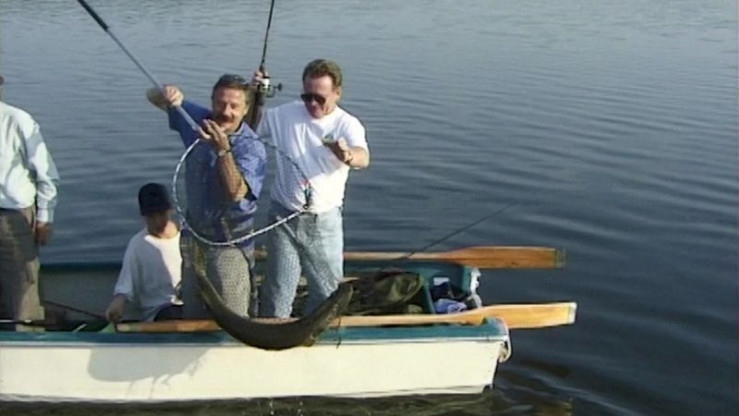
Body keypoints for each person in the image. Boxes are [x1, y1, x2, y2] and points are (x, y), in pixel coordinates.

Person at [253, 59, 370, 318]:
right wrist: (255, 95)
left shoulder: (347, 124)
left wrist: (347, 155)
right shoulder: (285, 115)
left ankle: (315, 331)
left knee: (327, 292)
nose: (312, 104)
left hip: (323, 221)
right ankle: (274, 331)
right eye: (307, 97)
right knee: (278, 290)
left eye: (320, 98)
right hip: (283, 216)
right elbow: (250, 127)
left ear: (337, 93)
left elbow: (363, 157)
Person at [146, 74, 267, 318]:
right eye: (220, 104)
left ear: (245, 110)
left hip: (230, 245)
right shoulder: (198, 121)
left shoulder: (252, 148)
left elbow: (236, 193)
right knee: (193, 310)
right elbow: (152, 96)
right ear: (212, 102)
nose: (226, 112)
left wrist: (222, 150)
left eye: (234, 106)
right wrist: (168, 93)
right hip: (195, 239)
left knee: (233, 316)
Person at [0, 75, 60, 331]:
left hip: (14, 218)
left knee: (22, 288)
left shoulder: (18, 120)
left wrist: (45, 217)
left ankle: (28, 339)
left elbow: (47, 174)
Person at [105, 183, 183, 323]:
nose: (157, 221)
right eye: (151, 216)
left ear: (170, 211)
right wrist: (117, 304)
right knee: (173, 313)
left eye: (161, 214)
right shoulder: (138, 244)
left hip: (191, 306)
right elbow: (125, 286)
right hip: (160, 312)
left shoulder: (189, 237)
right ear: (144, 217)